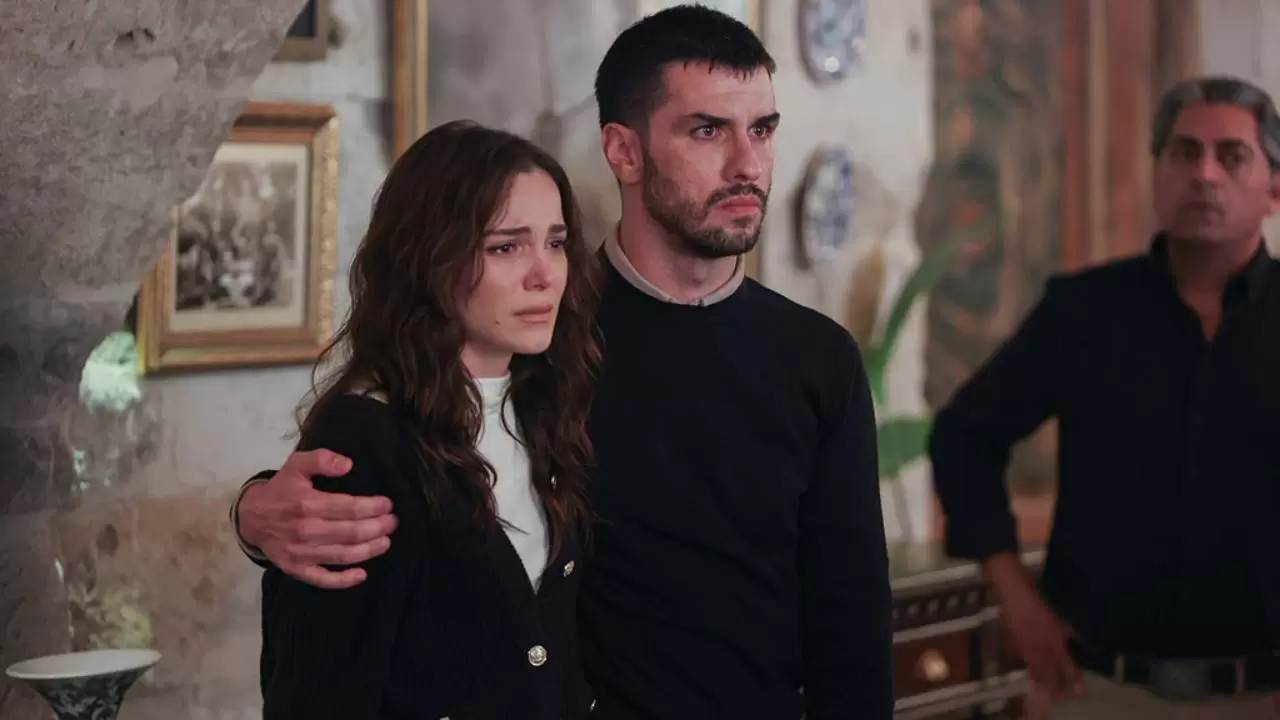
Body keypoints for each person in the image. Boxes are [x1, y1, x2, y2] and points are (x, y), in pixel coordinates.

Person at [235, 6, 893, 719]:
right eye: (708, 130)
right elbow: (408, 440)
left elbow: (851, 620)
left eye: (762, 129)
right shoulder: (543, 336)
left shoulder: (818, 358)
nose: (749, 165)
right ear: (624, 152)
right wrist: (255, 510)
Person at [928, 74, 1280, 719]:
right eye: (1184, 152)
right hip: (1100, 690)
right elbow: (963, 436)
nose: (1204, 174)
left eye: (1231, 156)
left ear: (1274, 189)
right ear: (1157, 174)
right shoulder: (1085, 312)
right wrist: (1013, 593)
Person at [258, 120, 603, 719]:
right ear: (430, 260)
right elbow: (318, 692)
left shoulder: (551, 403)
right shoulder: (365, 439)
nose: (545, 274)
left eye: (555, 242)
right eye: (505, 247)